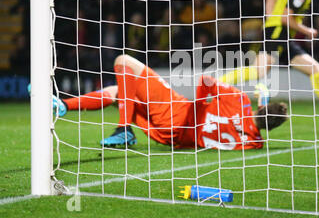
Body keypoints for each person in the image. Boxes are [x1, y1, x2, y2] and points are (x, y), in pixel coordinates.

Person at [52, 54, 288, 150]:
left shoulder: (239, 99)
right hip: (173, 138)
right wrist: (262, 104)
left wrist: (222, 88)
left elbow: (206, 82)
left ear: (263, 107)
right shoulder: (254, 142)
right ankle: (64, 106)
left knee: (124, 62)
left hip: (175, 111)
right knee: (120, 94)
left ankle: (124, 129)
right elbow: (256, 121)